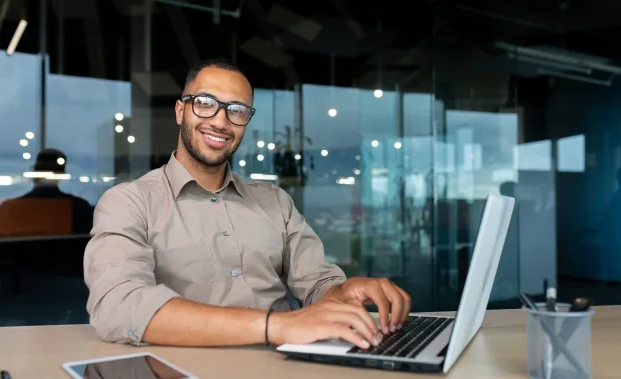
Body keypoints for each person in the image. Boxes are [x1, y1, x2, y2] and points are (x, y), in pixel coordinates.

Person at [84, 58, 411, 351]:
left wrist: (342, 294)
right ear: (180, 110)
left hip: (285, 368)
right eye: (205, 103)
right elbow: (119, 307)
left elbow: (318, 284)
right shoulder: (129, 202)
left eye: (236, 110)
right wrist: (278, 326)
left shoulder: (275, 202)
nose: (221, 121)